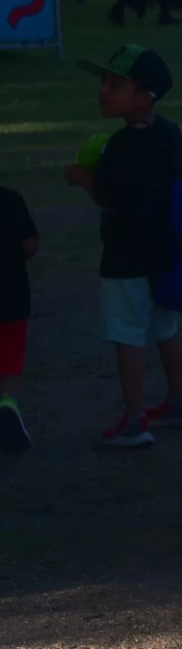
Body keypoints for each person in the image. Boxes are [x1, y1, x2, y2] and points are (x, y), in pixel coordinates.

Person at [63, 44, 182, 447]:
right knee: (165, 328)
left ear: (145, 97)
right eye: (104, 82)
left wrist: (80, 176)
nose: (104, 91)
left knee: (127, 336)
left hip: (124, 259)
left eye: (116, 84)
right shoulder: (170, 132)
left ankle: (135, 420)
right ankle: (180, 402)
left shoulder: (120, 146)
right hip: (163, 253)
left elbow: (107, 197)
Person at [0, 181, 32, 453]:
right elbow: (31, 243)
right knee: (10, 358)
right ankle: (8, 405)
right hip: (11, 292)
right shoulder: (11, 199)